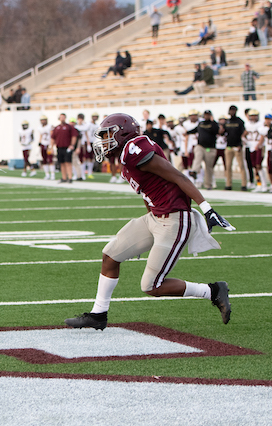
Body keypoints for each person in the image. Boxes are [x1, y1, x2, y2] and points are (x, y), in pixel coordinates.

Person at [63, 114, 234, 331]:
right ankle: (98, 315)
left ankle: (213, 291)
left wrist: (206, 208)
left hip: (174, 220)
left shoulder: (135, 148)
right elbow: (147, 193)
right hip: (155, 217)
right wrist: (147, 232)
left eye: (107, 135)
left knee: (152, 285)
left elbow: (179, 177)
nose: (104, 141)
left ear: (122, 133)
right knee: (110, 255)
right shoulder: (126, 156)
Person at [50, 113, 80, 183]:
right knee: (62, 163)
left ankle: (70, 177)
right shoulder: (56, 128)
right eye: (61, 117)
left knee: (68, 162)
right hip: (59, 147)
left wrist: (72, 144)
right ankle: (64, 177)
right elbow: (52, 138)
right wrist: (51, 147)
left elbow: (74, 136)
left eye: (63, 117)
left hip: (67, 147)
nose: (62, 118)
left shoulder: (69, 127)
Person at [223, 106, 247, 191]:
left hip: (237, 146)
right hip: (229, 146)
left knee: (241, 166)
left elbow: (243, 133)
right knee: (228, 166)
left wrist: (240, 144)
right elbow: (224, 133)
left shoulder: (239, 121)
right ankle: (228, 184)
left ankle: (244, 184)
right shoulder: (227, 121)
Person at [37, 115, 55, 180]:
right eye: (42, 120)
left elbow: (52, 135)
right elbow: (41, 135)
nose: (43, 121)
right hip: (43, 144)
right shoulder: (40, 128)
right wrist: (39, 142)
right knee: (44, 160)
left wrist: (51, 145)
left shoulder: (50, 126)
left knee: (50, 159)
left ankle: (52, 174)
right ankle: (47, 174)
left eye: (44, 120)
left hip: (48, 144)